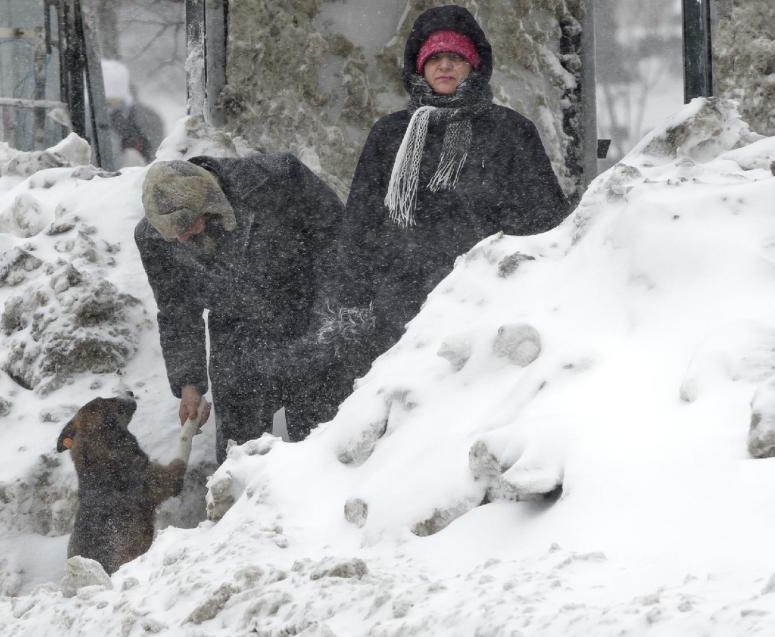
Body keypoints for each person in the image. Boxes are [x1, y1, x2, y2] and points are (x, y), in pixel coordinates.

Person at [338, 5, 570, 365]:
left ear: (474, 67)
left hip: (484, 305)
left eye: (456, 57)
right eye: (435, 58)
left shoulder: (510, 131)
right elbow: (361, 224)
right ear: (419, 67)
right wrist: (353, 301)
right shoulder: (390, 135)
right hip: (399, 312)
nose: (444, 66)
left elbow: (544, 221)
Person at [135, 155, 352, 462]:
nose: (181, 237)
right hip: (237, 338)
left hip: (307, 313)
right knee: (239, 459)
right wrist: (189, 383)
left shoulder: (274, 179)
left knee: (327, 446)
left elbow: (338, 244)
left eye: (187, 223)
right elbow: (177, 310)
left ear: (210, 200)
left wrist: (327, 322)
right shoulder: (154, 238)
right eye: (173, 234)